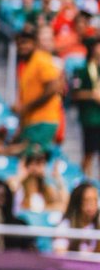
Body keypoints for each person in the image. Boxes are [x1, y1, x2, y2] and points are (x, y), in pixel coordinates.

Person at [14, 28, 63, 149]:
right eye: (19, 43)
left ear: (34, 43)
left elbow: (53, 87)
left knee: (35, 160)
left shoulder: (41, 59)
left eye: (25, 42)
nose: (22, 46)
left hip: (43, 120)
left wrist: (28, 106)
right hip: (32, 121)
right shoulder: (27, 65)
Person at [71, 37, 100, 179]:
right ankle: (83, 179)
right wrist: (92, 95)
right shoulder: (82, 69)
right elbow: (74, 94)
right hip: (90, 118)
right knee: (89, 152)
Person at [9, 146, 67, 214]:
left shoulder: (47, 189)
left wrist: (58, 179)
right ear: (27, 164)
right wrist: (20, 175)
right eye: (37, 162)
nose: (41, 166)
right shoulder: (17, 183)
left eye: (43, 162)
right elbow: (10, 194)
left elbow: (65, 205)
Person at [53, 181, 98, 254]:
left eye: (95, 200)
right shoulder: (65, 226)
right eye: (87, 200)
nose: (92, 204)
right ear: (77, 202)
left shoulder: (97, 225)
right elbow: (60, 255)